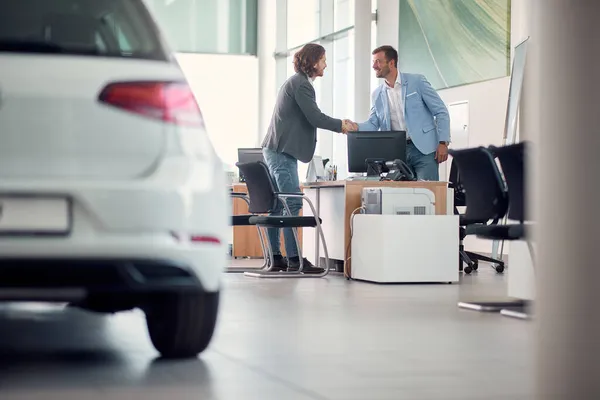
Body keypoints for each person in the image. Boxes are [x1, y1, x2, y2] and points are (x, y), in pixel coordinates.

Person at [261, 43, 354, 273]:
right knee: (291, 203)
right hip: (281, 153)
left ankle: (277, 258)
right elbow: (315, 117)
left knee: (277, 206)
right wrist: (342, 126)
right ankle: (294, 260)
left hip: (276, 150)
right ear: (313, 62)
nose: (326, 64)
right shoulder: (302, 85)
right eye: (323, 59)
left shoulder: (295, 82)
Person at [349, 45, 450, 181]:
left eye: (378, 61)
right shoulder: (377, 94)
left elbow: (441, 111)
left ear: (391, 63)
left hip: (424, 150)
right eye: (373, 62)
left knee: (428, 195)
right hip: (397, 154)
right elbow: (373, 123)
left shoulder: (417, 82)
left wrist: (443, 142)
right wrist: (356, 127)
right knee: (403, 197)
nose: (374, 66)